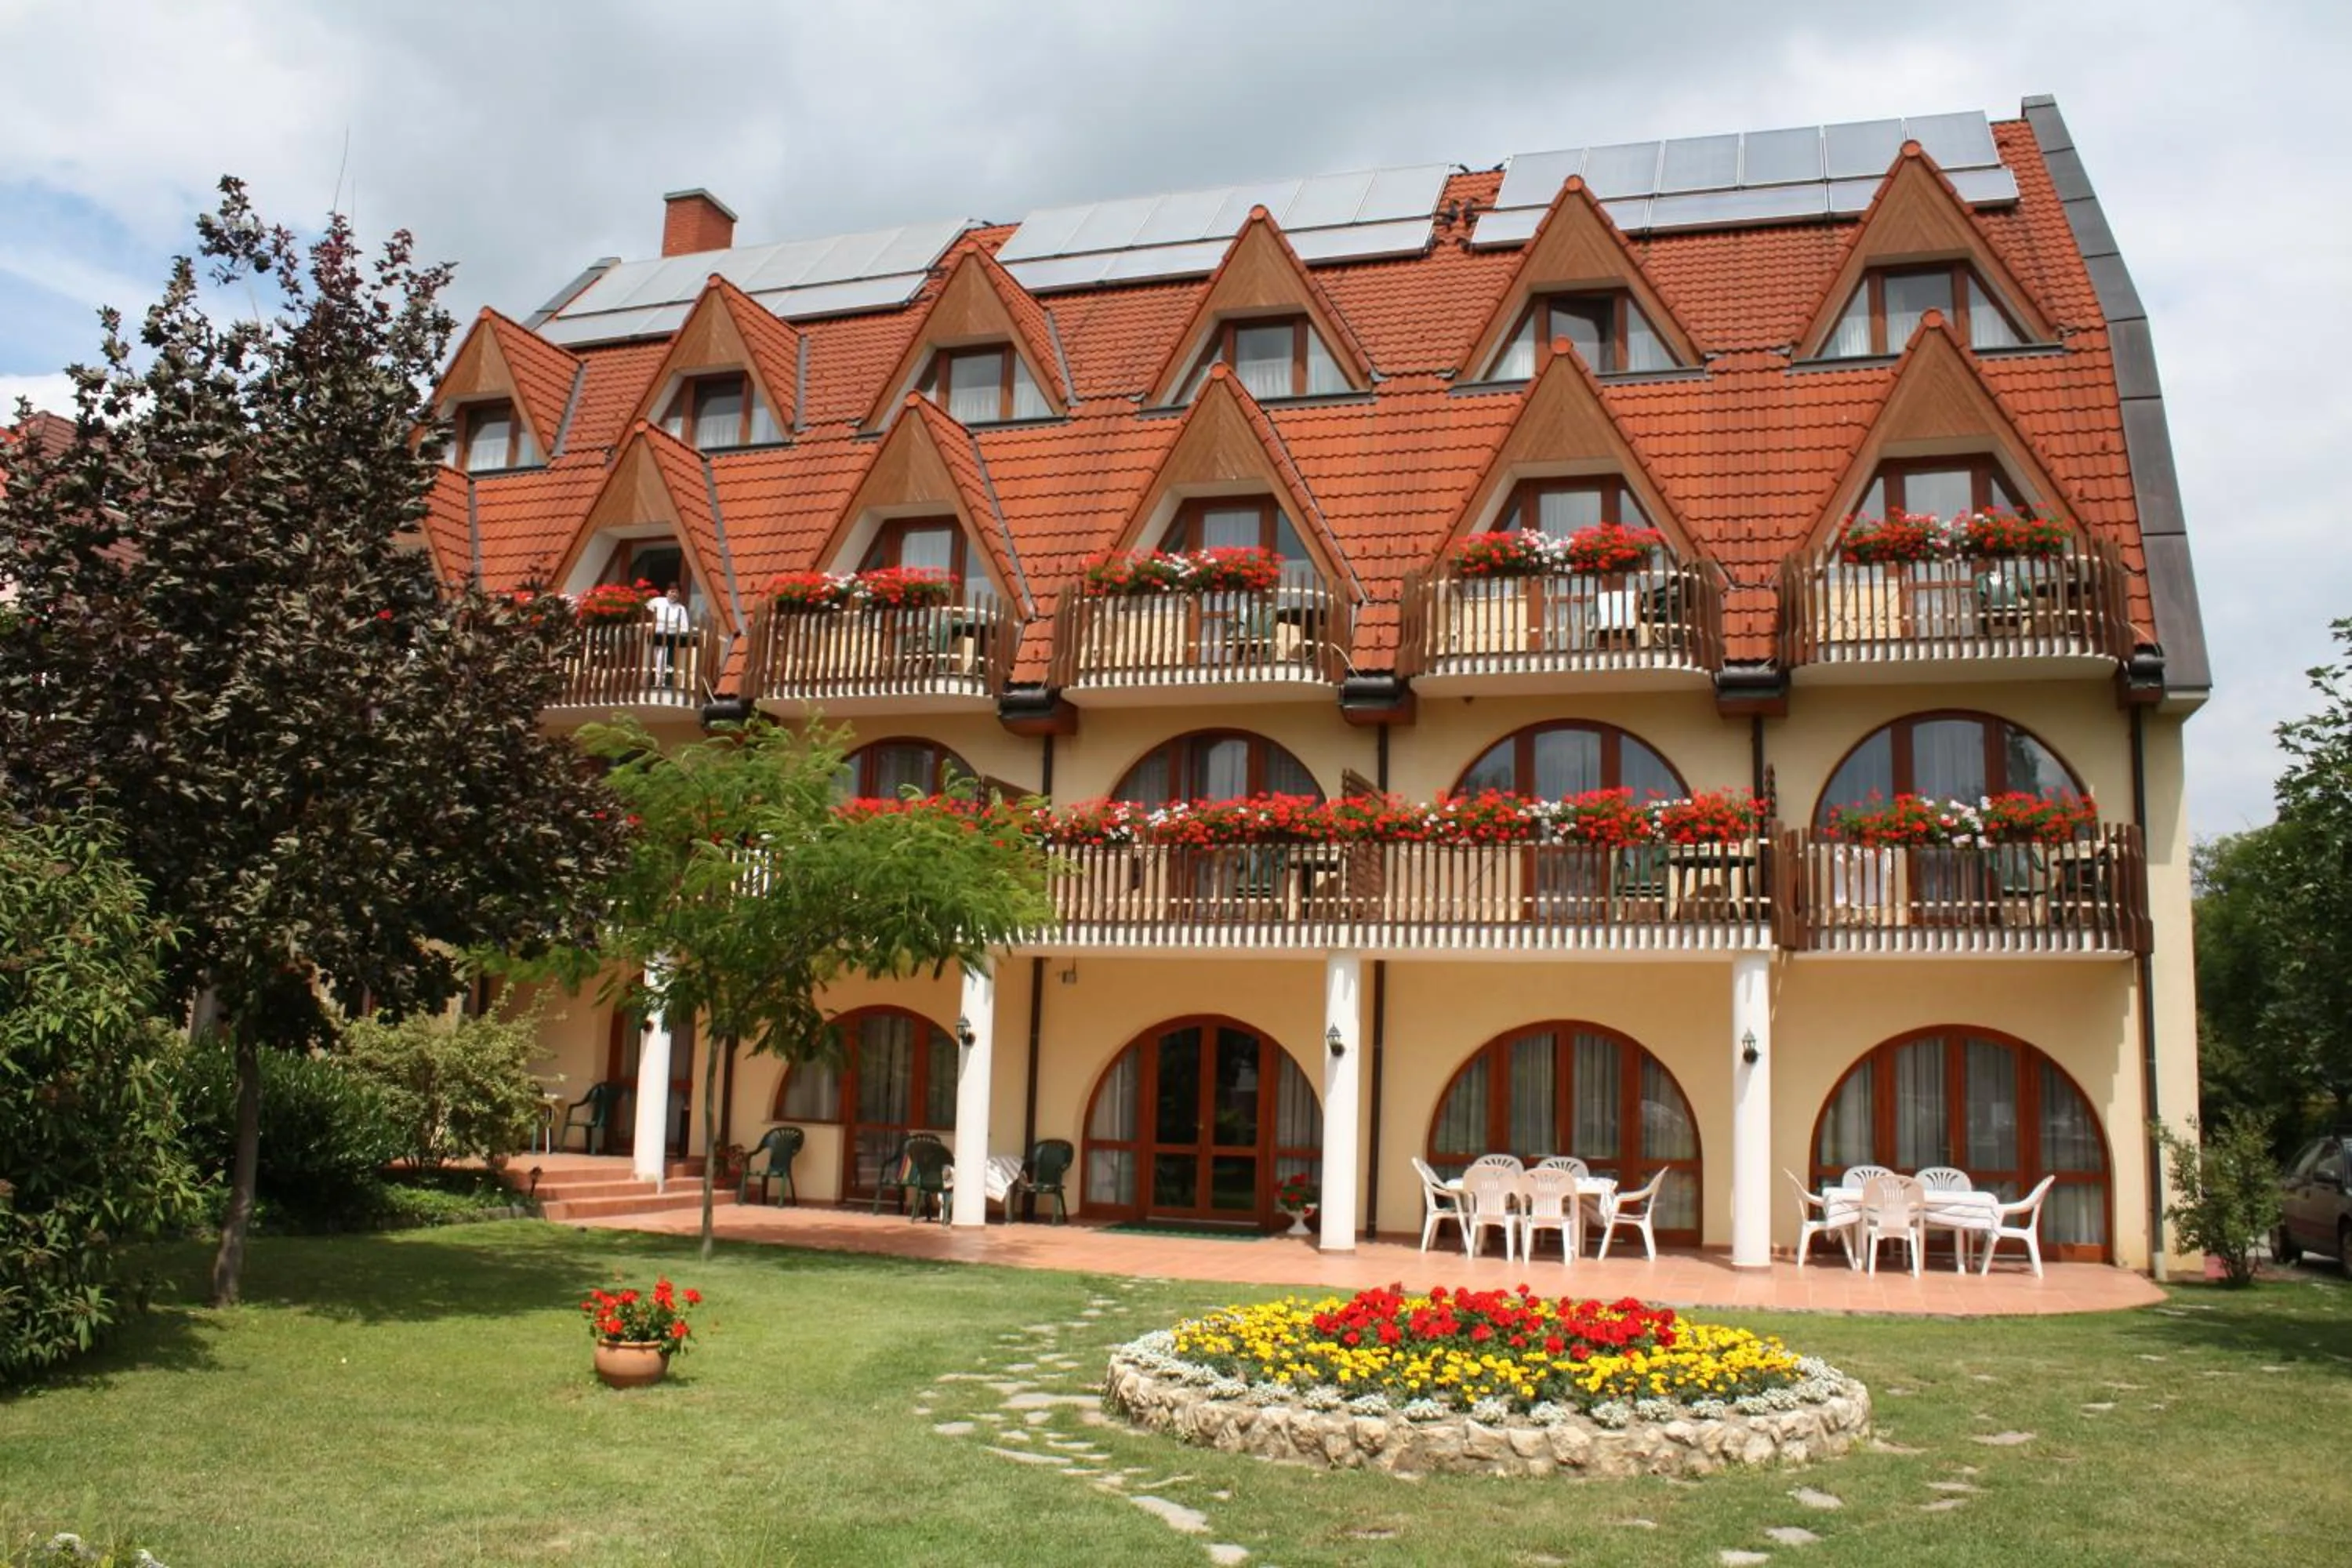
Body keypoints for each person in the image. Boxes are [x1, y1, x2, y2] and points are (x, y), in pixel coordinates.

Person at [649, 583, 691, 688]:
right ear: (667, 592)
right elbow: (650, 616)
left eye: (677, 592)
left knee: (664, 659)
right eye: (672, 591)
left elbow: (684, 626)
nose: (674, 594)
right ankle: (657, 680)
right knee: (656, 659)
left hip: (672, 638)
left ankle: (662, 682)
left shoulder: (680, 608)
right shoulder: (658, 602)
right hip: (657, 635)